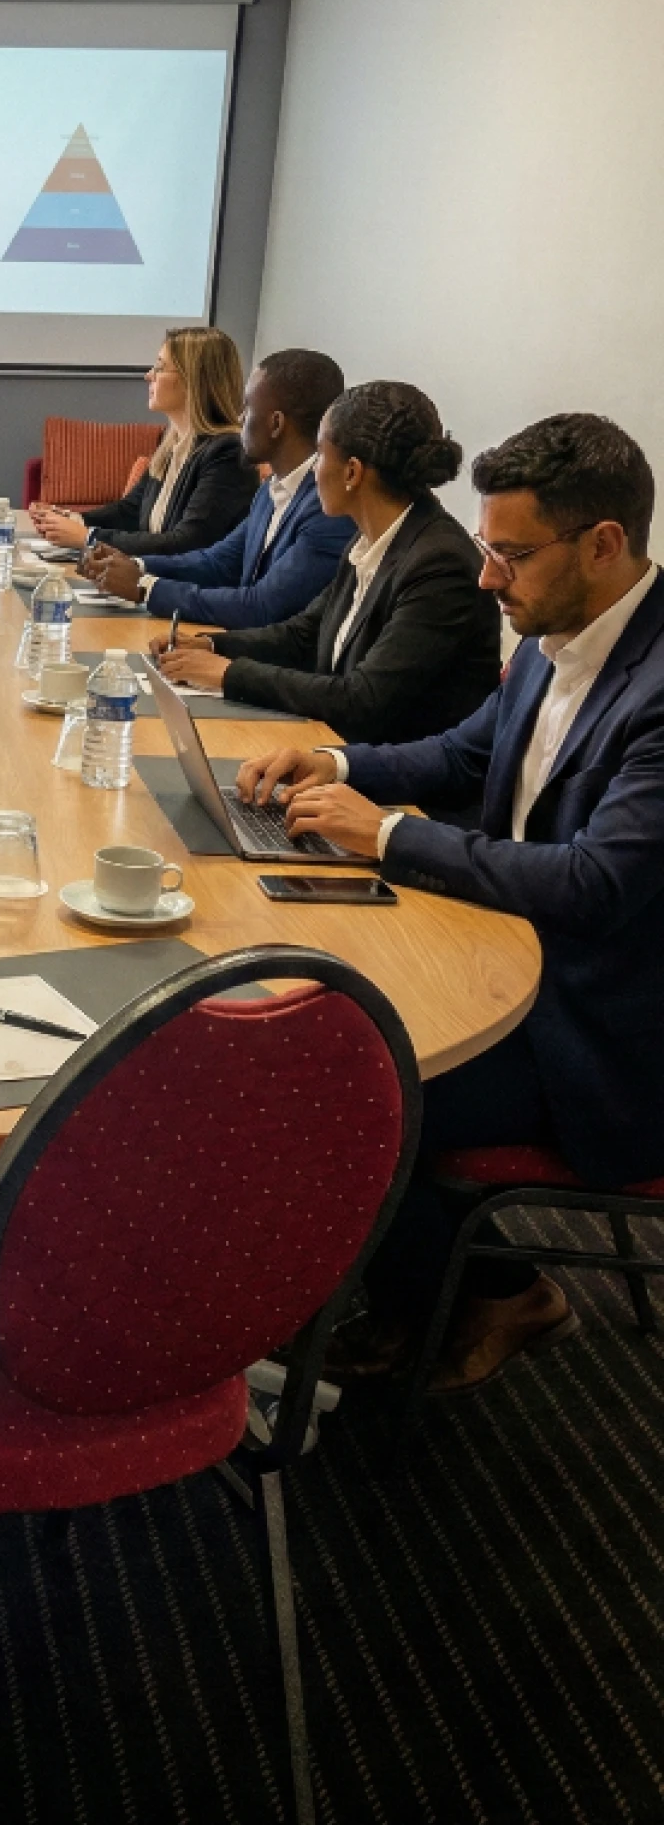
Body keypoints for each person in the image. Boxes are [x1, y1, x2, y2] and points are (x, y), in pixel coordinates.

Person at [236, 413, 664, 1395]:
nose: (485, 578)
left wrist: (385, 835)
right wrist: (336, 764)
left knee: (341, 1090)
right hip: (509, 955)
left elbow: (596, 883)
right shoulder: (560, 630)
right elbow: (465, 752)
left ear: (604, 544)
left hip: (601, 1030)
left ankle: (487, 1296)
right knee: (309, 1014)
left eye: (511, 555)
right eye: (484, 547)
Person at [155, 380, 501, 745]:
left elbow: (363, 698)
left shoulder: (440, 564)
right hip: (336, 748)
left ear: (352, 472)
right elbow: (303, 634)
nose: (313, 470)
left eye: (319, 454)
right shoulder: (370, 537)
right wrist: (212, 646)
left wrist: (229, 674)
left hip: (395, 773)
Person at [81, 347, 354, 628]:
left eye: (248, 408)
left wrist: (145, 588)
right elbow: (217, 563)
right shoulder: (271, 491)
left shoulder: (328, 509)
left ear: (276, 424)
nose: (240, 418)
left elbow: (261, 607)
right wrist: (135, 565)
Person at [29, 327, 254, 559]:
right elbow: (131, 511)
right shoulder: (170, 442)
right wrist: (73, 519)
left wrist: (89, 537)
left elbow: (188, 543)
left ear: (193, 379)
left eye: (160, 367)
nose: (148, 375)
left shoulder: (227, 453)